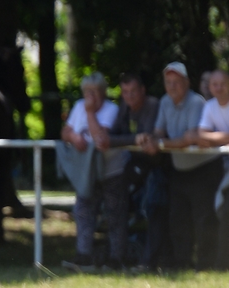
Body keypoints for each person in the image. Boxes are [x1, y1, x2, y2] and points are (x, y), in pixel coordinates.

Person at [137, 61, 218, 269]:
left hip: (203, 169)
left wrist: (159, 144)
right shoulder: (165, 102)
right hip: (179, 169)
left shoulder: (196, 103)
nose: (172, 87)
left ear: (187, 83)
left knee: (203, 219)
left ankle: (206, 265)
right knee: (178, 220)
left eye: (176, 82)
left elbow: (189, 138)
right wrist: (150, 139)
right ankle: (182, 263)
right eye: (168, 82)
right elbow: (159, 131)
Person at [59, 73, 124, 272]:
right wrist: (74, 136)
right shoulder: (79, 106)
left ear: (103, 93)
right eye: (87, 92)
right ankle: (83, 256)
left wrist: (89, 113)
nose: (90, 97)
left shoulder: (112, 110)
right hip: (87, 172)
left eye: (94, 92)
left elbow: (100, 139)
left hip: (112, 170)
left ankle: (116, 259)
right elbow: (64, 133)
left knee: (115, 214)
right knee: (83, 211)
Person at [107, 73, 162, 269]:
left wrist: (131, 139)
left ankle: (149, 261)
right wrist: (133, 139)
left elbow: (146, 138)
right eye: (125, 92)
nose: (129, 96)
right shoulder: (125, 108)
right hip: (134, 167)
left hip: (159, 167)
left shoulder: (153, 105)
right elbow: (110, 138)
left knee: (154, 208)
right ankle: (116, 256)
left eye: (133, 92)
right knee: (115, 199)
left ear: (142, 91)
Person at [195, 69, 229, 269]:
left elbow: (208, 137)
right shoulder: (209, 107)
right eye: (214, 84)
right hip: (219, 168)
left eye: (222, 83)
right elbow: (201, 136)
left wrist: (214, 136)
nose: (218, 88)